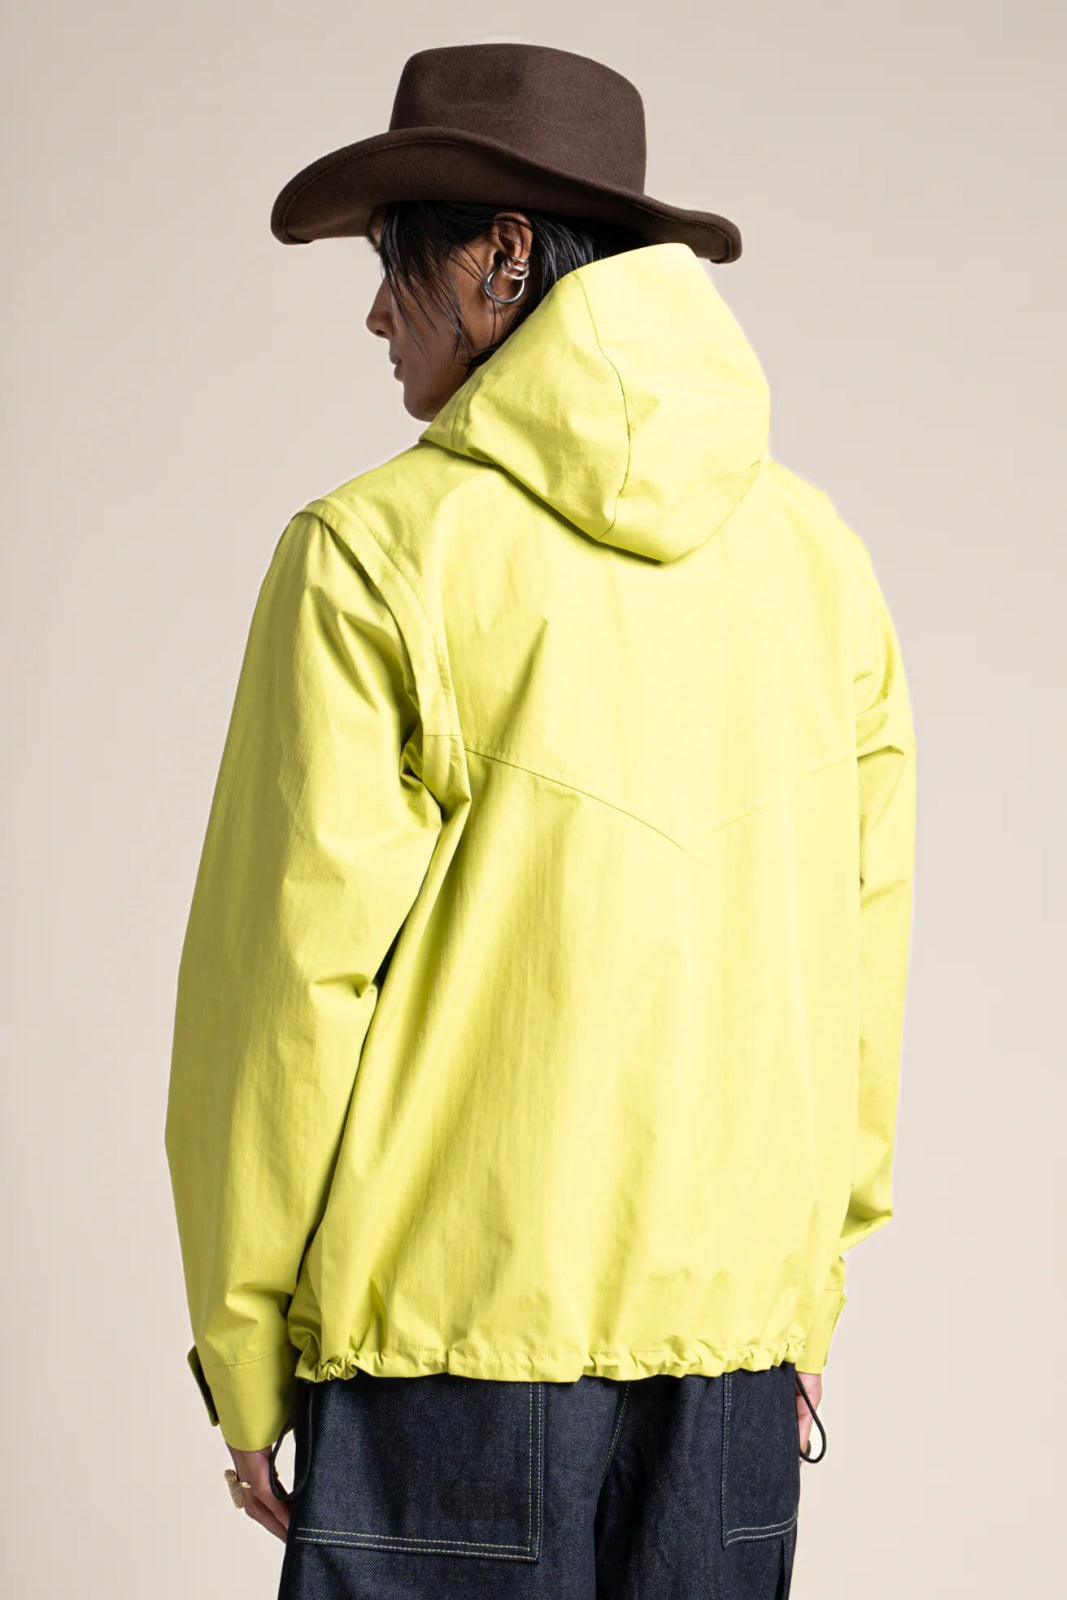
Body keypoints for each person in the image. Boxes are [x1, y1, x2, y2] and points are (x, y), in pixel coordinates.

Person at [164, 41, 917, 1600]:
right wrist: (806, 1295)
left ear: (502, 258)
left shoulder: (372, 557)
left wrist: (244, 1350)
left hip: (443, 1369)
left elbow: (286, 997)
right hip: (734, 1372)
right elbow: (862, 960)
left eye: (393, 263)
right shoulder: (820, 562)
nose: (376, 315)